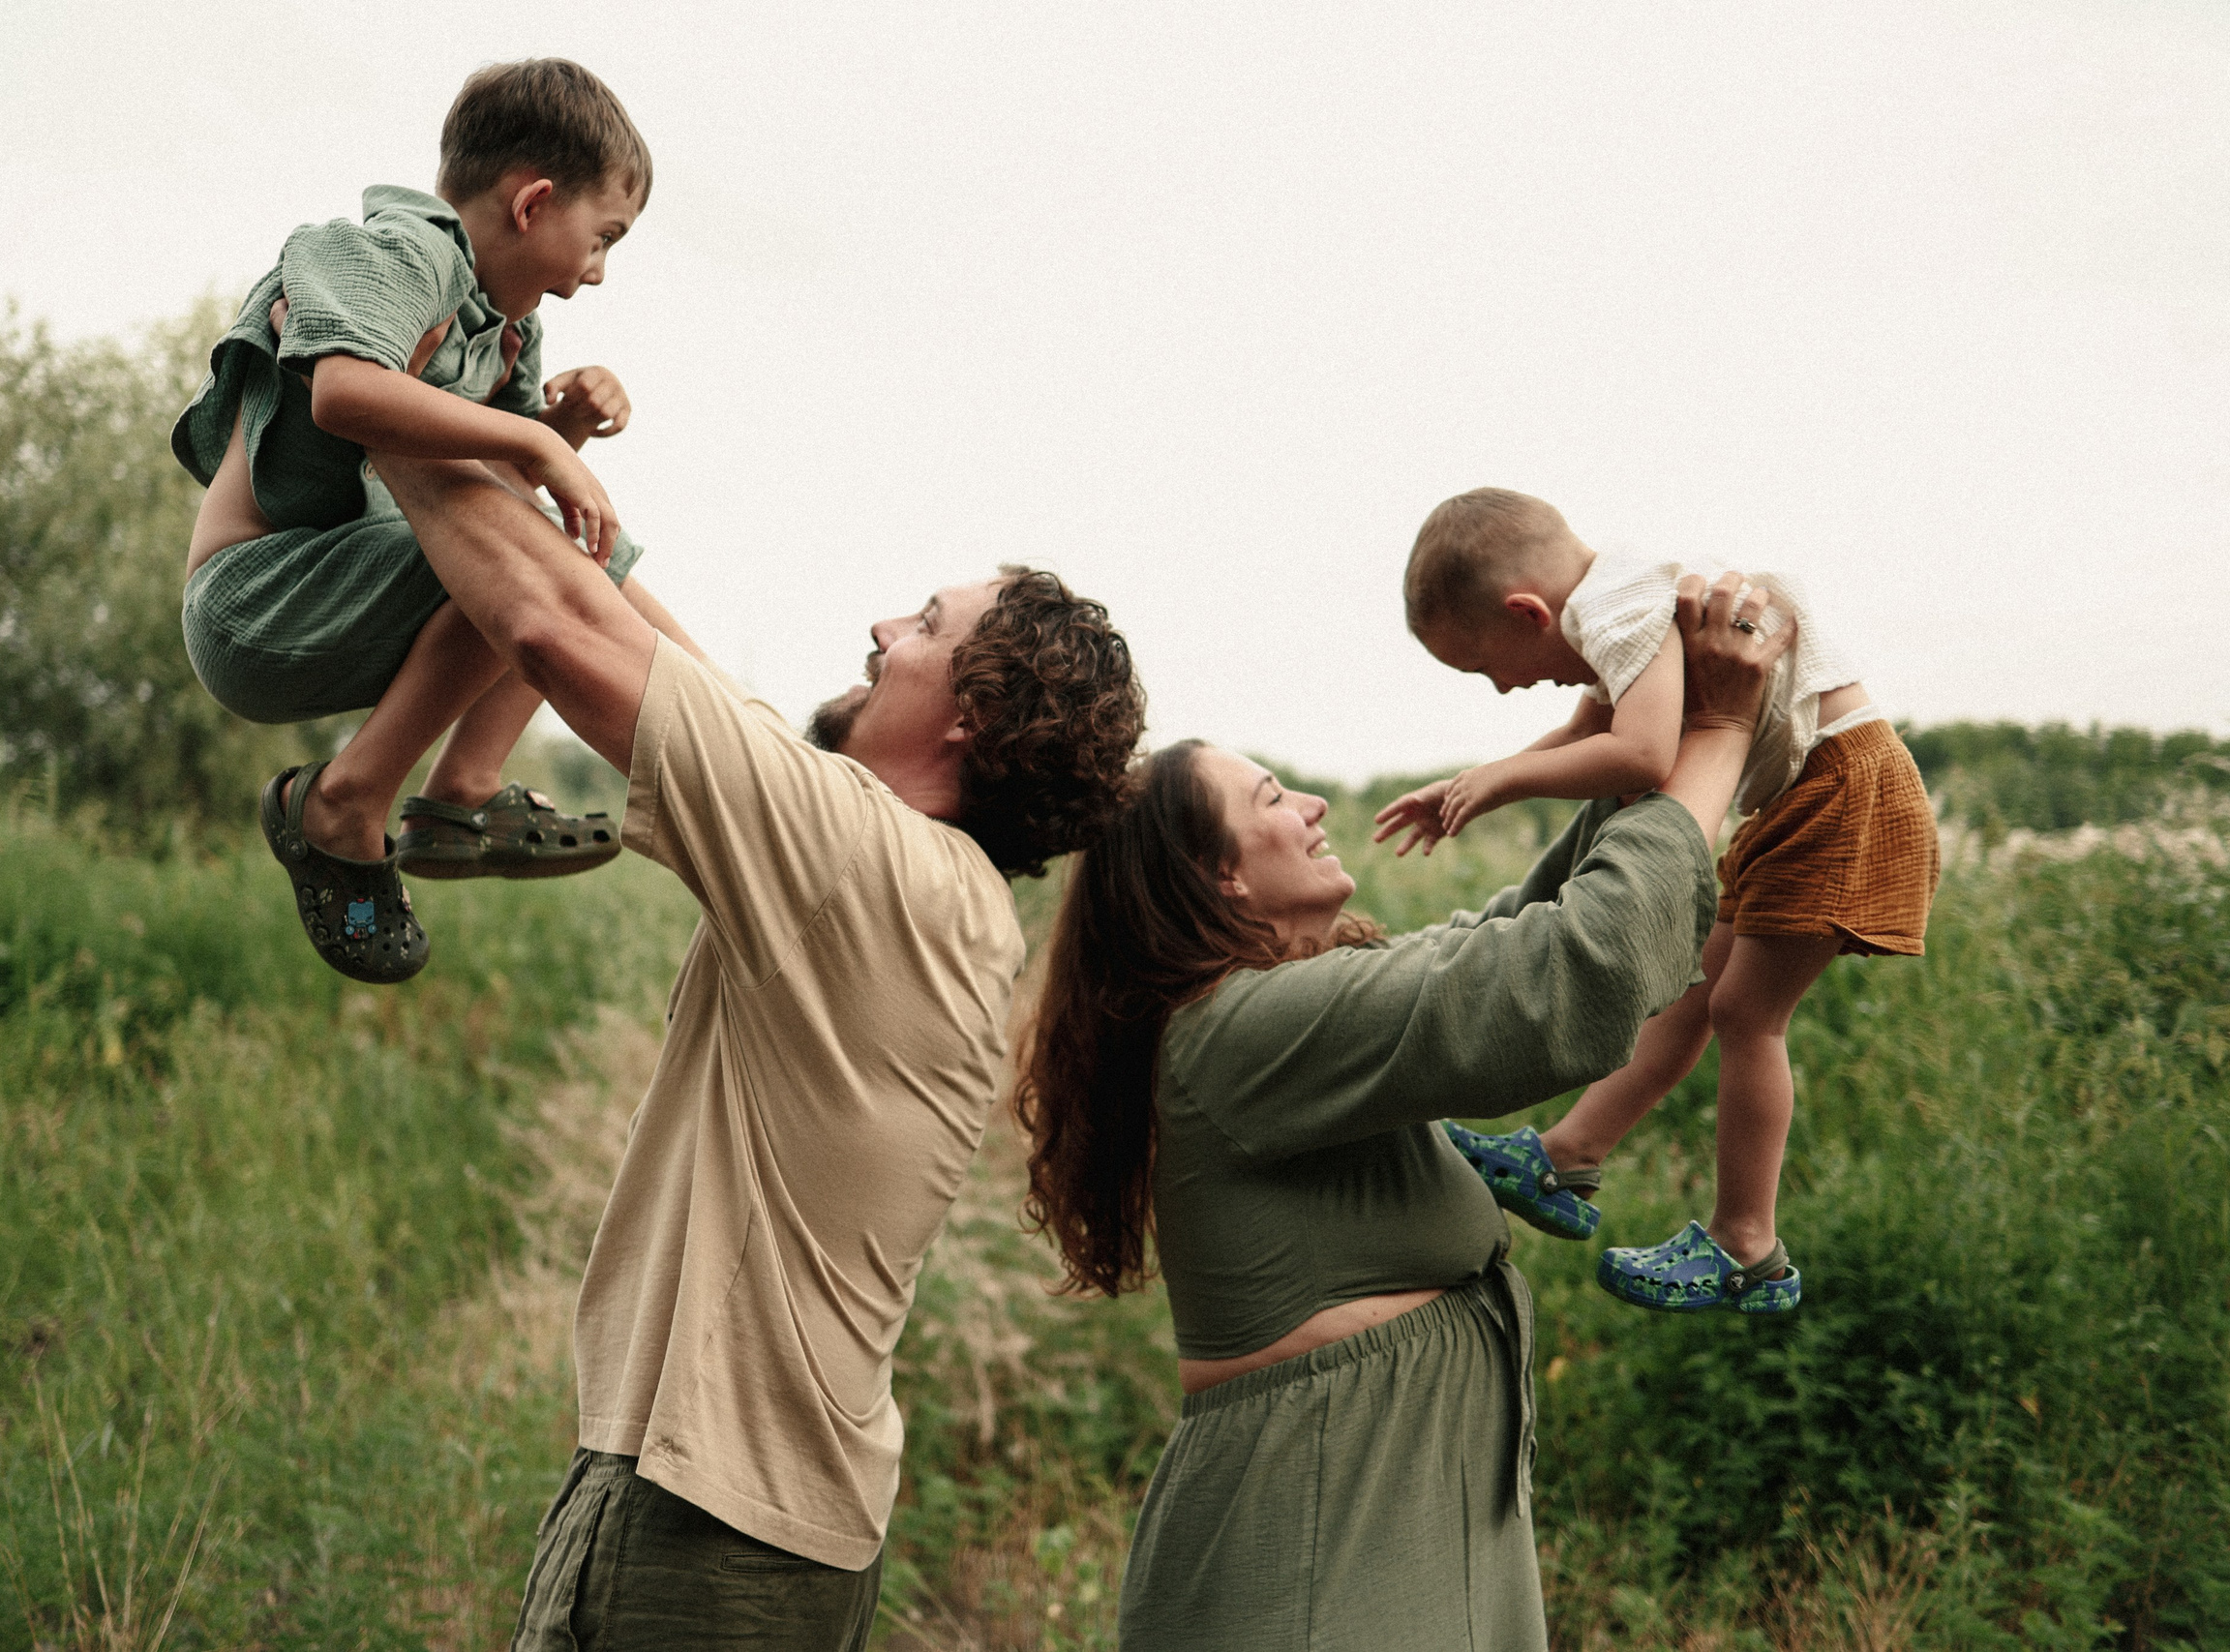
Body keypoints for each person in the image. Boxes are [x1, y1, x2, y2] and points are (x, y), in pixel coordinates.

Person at [347, 419, 1143, 1642]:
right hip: (744, 1515)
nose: (882, 631)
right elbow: (650, 649)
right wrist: (519, 457)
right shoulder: (917, 881)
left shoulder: (868, 864)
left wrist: (372, 393)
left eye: (924, 625)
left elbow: (555, 629)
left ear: (974, 717)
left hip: (702, 1525)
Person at [1014, 577, 1787, 1651]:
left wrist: (1628, 735)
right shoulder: (1237, 1032)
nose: (1313, 807)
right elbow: (1571, 970)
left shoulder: (1263, 1021)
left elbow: (1509, 939)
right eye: (1274, 798)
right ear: (1220, 877)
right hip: (1315, 1569)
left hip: (1372, 1542)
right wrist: (1714, 732)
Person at [1376, 489, 1938, 1313]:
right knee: (1694, 995)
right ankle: (1565, 1156)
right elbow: (1582, 739)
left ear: (1529, 612)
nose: (1500, 690)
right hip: (1803, 792)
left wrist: (1503, 778)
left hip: (1845, 785)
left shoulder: (1617, 609)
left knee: (1749, 1013)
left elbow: (1638, 754)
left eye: (1484, 667)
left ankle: (1747, 1244)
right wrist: (1476, 784)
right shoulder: (1622, 599)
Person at [171, 58, 651, 984]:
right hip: (253, 600)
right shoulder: (402, 251)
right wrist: (545, 454)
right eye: (603, 239)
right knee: (536, 565)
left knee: (588, 555)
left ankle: (460, 796)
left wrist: (566, 430)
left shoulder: (504, 321)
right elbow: (346, 393)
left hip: (338, 591)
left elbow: (506, 482)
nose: (596, 273)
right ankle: (345, 801)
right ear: (533, 201)